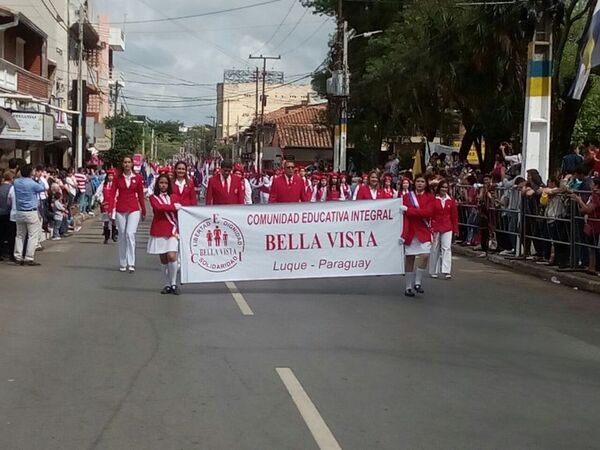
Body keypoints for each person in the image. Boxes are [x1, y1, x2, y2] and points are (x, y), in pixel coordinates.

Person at [148, 174, 182, 295]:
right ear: (157, 184)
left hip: (172, 230)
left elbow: (180, 211)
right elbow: (158, 208)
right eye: (161, 183)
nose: (163, 185)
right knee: (163, 259)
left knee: (172, 256)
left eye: (166, 183)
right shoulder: (153, 197)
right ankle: (166, 284)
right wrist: (173, 207)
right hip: (159, 229)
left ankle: (173, 283)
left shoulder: (174, 197)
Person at [402, 174, 435, 297]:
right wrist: (413, 213)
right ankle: (408, 287)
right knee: (409, 258)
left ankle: (418, 282)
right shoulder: (406, 197)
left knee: (425, 255)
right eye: (418, 181)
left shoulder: (430, 198)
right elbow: (406, 215)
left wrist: (410, 211)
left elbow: (428, 213)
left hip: (423, 230)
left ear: (426, 184)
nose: (420, 183)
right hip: (410, 231)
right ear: (414, 183)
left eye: (422, 181)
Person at [113, 155, 146, 273]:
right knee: (122, 235)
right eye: (125, 162)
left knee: (130, 234)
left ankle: (131, 263)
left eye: (129, 162)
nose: (127, 164)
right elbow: (112, 194)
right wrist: (110, 210)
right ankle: (123, 262)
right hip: (120, 208)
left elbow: (141, 195)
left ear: (132, 164)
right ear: (122, 164)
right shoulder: (118, 178)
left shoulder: (137, 178)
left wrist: (144, 209)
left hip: (133, 208)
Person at [12, 164, 46, 266]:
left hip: (19, 211)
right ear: (31, 172)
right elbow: (42, 188)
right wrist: (39, 178)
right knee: (32, 235)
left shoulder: (16, 182)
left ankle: (18, 256)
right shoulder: (32, 183)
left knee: (19, 235)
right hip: (31, 211)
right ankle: (28, 257)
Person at [430, 180, 458, 279]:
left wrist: (456, 230)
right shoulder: (434, 199)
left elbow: (454, 216)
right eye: (442, 187)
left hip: (447, 226)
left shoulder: (451, 200)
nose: (444, 189)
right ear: (439, 188)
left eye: (446, 187)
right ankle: (433, 270)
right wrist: (431, 226)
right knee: (434, 248)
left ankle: (446, 270)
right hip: (436, 226)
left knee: (446, 248)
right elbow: (431, 213)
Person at [571, 176, 600, 275]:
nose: (590, 185)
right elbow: (583, 209)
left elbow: (589, 209)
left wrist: (579, 200)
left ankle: (594, 267)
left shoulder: (596, 196)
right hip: (591, 223)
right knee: (591, 246)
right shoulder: (592, 195)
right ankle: (591, 267)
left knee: (594, 246)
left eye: (592, 183)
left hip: (596, 223)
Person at [96, 169, 118, 244]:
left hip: (114, 204)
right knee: (106, 221)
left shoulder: (116, 184)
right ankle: (106, 237)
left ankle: (114, 235)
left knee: (113, 219)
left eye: (112, 176)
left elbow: (119, 193)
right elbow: (98, 192)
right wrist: (100, 200)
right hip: (105, 204)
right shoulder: (103, 184)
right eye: (109, 176)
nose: (110, 177)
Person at [0, 171, 15, 261]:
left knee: (1, 234)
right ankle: (10, 253)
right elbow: (10, 202)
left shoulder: (0, 188)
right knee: (10, 234)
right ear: (11, 179)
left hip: (0, 213)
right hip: (8, 213)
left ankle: (1, 253)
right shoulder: (11, 188)